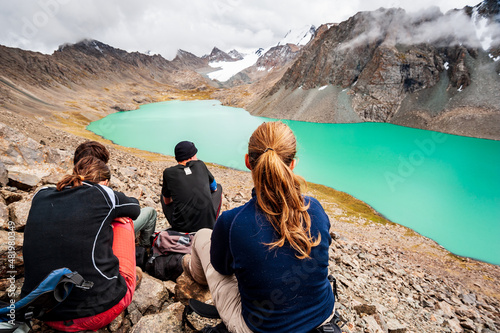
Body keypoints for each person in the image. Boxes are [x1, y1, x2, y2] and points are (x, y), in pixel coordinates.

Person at [183, 122, 335, 333]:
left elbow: (222, 269)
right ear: (292, 164)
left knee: (202, 236)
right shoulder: (315, 208)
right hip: (322, 316)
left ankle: (191, 271)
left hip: (258, 328)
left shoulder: (231, 221)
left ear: (248, 161)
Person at [21, 156, 139, 331]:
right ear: (104, 181)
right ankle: (131, 275)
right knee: (124, 220)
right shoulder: (103, 193)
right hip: (94, 312)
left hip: (43, 311)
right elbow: (135, 208)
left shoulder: (41, 194)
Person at [74, 140, 157, 247]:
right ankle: (144, 251)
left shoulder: (62, 187)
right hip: (103, 241)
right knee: (150, 213)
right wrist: (112, 213)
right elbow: (134, 208)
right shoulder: (104, 194)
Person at [161, 141, 222, 232]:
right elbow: (214, 188)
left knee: (163, 195)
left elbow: (167, 202)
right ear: (191, 156)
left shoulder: (168, 173)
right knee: (219, 187)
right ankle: (213, 220)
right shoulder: (200, 165)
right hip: (207, 227)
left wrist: (179, 196)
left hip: (181, 228)